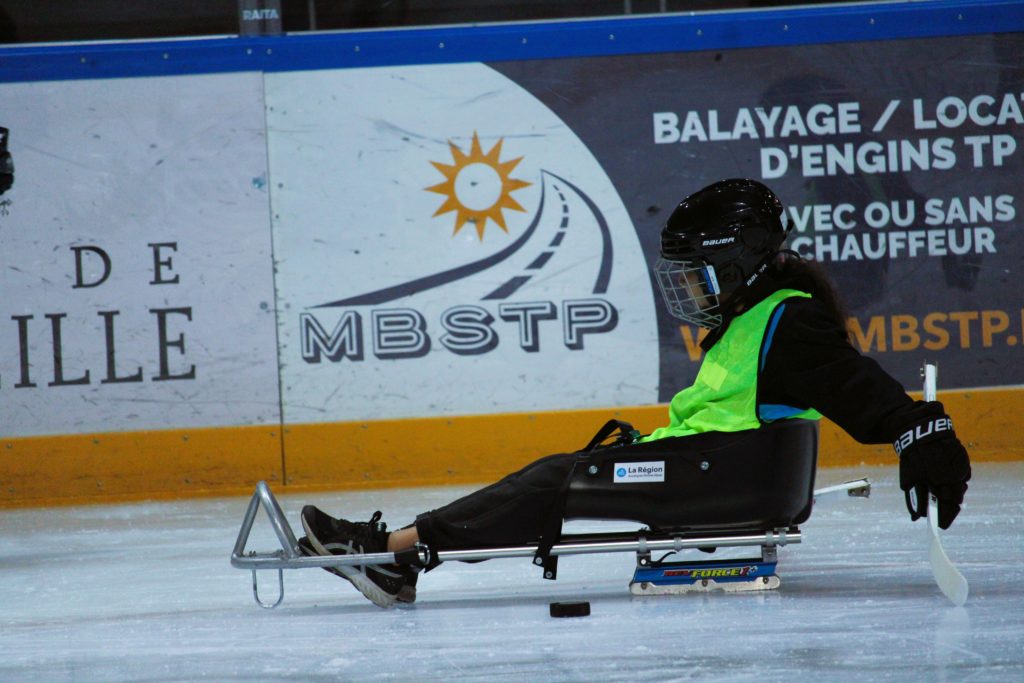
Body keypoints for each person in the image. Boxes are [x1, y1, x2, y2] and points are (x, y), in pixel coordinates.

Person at [298, 178, 972, 608]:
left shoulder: (789, 319)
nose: (690, 293)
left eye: (699, 275)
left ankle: (393, 555)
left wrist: (919, 429)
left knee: (552, 479)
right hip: (706, 467)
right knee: (557, 475)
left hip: (715, 476)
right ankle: (402, 553)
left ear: (735, 264)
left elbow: (849, 381)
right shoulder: (756, 317)